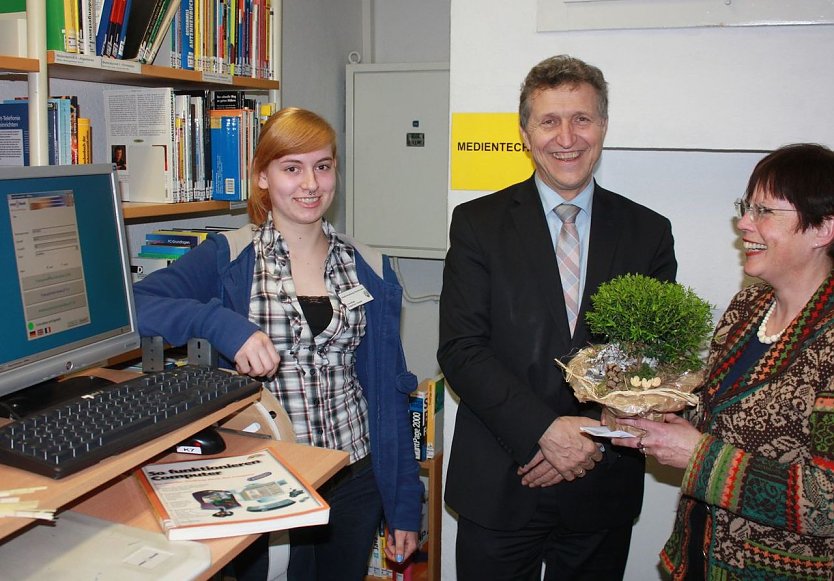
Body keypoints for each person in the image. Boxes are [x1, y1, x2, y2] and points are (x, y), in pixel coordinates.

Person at [133, 107, 421, 580]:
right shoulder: (230, 256)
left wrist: (404, 503)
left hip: (354, 474)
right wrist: (224, 324)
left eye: (323, 166)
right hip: (262, 477)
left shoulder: (369, 266)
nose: (310, 183)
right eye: (292, 168)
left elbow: (390, 395)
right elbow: (141, 305)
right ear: (262, 177)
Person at [437, 54, 677, 580]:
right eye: (549, 121)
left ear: (604, 127)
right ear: (525, 133)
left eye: (582, 119)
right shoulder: (477, 224)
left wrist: (589, 435)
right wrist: (543, 430)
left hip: (601, 486)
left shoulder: (648, 233)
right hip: (502, 481)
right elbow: (462, 349)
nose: (567, 137)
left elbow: (653, 360)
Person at [612, 143, 834, 580]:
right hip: (699, 558)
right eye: (746, 207)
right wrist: (652, 411)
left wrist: (699, 457)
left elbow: (825, 502)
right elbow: (717, 413)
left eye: (765, 211)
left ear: (823, 228)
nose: (744, 223)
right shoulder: (746, 309)